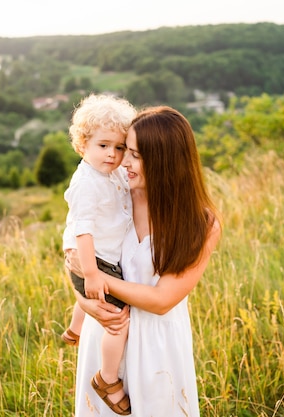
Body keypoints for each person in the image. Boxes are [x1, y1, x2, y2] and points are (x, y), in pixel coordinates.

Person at [68, 105, 222, 416]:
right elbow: (75, 253)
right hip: (109, 329)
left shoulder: (201, 224)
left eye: (135, 154)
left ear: (165, 161)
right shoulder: (116, 191)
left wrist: (101, 281)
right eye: (127, 150)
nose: (123, 161)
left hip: (158, 343)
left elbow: (163, 300)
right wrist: (83, 300)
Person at [61, 94, 137, 415]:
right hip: (94, 258)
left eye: (119, 147)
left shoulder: (115, 172)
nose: (112, 154)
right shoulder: (87, 182)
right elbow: (83, 231)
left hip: (101, 254)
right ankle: (108, 379)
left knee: (93, 300)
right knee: (117, 321)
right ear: (83, 144)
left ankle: (76, 328)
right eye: (103, 145)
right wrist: (92, 273)